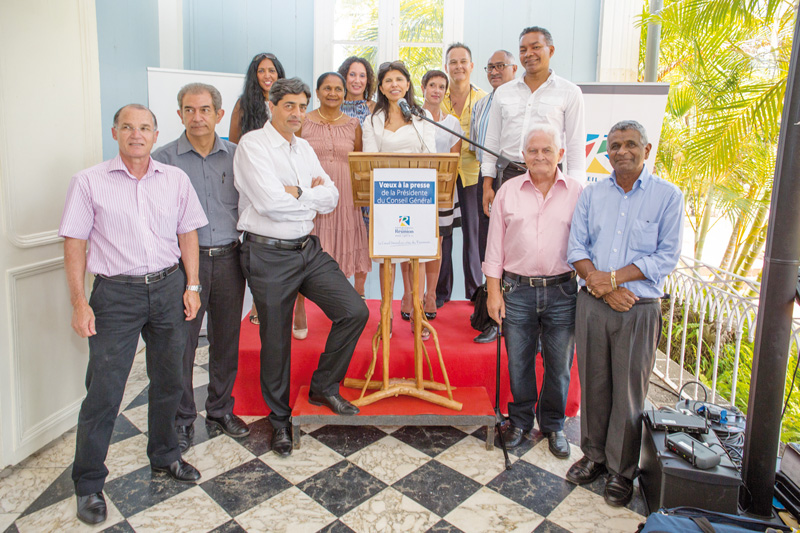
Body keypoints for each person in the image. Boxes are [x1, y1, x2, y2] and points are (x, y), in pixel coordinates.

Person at [60, 104, 207, 525]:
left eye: (144, 128)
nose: (136, 134)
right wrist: (79, 302)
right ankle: (88, 483)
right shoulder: (88, 182)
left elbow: (188, 231)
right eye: (128, 127)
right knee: (104, 390)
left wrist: (192, 285)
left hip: (167, 288)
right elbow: (75, 243)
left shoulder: (175, 179)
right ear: (115, 132)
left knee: (169, 381)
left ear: (156, 134)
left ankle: (164, 456)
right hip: (115, 296)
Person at [234, 78, 369, 457]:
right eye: (289, 106)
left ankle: (324, 386)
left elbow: (332, 196)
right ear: (271, 106)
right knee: (276, 339)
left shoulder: (304, 147)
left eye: (300, 106)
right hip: (268, 253)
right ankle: (279, 421)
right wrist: (307, 195)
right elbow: (269, 203)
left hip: (307, 248)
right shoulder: (253, 145)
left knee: (353, 310)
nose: (296, 113)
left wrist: (298, 193)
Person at [566, 120, 683, 507]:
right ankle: (594, 457)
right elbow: (576, 247)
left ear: (646, 150)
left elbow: (665, 256)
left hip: (638, 307)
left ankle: (622, 471)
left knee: (629, 393)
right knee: (594, 385)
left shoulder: (668, 196)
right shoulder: (592, 194)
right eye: (614, 145)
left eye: (630, 144)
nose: (621, 151)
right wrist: (600, 286)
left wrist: (613, 281)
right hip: (593, 304)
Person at [152, 83, 249, 453]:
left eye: (205, 109)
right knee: (183, 344)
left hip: (229, 259)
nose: (197, 117)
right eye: (189, 110)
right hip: (182, 266)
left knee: (226, 340)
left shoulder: (238, 156)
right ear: (179, 114)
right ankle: (181, 418)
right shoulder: (163, 159)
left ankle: (220, 410)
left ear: (219, 114)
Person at [484, 124, 583, 460]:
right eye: (533, 151)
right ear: (523, 156)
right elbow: (494, 248)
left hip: (563, 292)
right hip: (517, 291)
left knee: (559, 365)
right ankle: (521, 421)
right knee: (519, 362)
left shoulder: (578, 193)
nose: (540, 156)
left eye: (547, 150)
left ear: (561, 154)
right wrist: (493, 294)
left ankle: (553, 424)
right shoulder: (507, 192)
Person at [294, 72, 370, 339]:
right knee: (308, 248)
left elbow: (359, 161)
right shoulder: (304, 121)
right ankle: (299, 306)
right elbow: (292, 157)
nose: (333, 93)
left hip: (345, 195)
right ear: (317, 92)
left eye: (338, 89)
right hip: (313, 195)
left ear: (344, 93)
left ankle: (347, 307)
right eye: (327, 88)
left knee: (345, 247)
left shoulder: (353, 124)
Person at [362, 61, 436, 336]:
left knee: (415, 255)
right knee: (387, 258)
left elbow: (430, 155)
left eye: (399, 79)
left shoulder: (422, 116)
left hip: (417, 196)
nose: (394, 84)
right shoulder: (373, 119)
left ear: (407, 84)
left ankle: (417, 313)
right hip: (386, 196)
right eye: (388, 81)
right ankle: (386, 314)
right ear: (381, 87)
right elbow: (370, 158)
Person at [481, 26, 586, 219]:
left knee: (546, 236)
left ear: (551, 50)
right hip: (508, 174)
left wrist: (577, 190)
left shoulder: (570, 92)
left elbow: (576, 145)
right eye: (523, 50)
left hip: (549, 175)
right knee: (505, 237)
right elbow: (492, 141)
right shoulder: (503, 92)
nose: (529, 54)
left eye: (535, 47)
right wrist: (487, 184)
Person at [228, 52, 286, 326]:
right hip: (253, 182)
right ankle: (256, 301)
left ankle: (277, 300)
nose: (267, 76)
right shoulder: (244, 105)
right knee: (256, 241)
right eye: (262, 71)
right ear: (255, 75)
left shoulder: (285, 104)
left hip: (282, 182)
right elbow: (234, 145)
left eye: (272, 71)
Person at [471, 49, 518, 344]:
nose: (494, 71)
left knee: (516, 248)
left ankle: (517, 319)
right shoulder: (482, 104)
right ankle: (492, 319)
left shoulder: (520, 99)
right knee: (488, 246)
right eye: (490, 67)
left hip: (516, 176)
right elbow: (480, 145)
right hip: (488, 177)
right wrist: (487, 182)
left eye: (500, 66)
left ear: (514, 68)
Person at [436, 43, 487, 306]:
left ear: (471, 65)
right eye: (453, 62)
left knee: (473, 233)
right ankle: (439, 293)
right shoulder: (436, 95)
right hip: (442, 174)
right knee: (443, 234)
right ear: (446, 67)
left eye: (463, 61)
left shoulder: (484, 98)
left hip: (471, 173)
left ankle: (475, 293)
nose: (458, 66)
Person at [421, 69, 462, 326]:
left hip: (443, 189)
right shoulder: (412, 118)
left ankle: (431, 293)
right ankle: (411, 295)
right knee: (412, 242)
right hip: (416, 188)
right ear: (423, 87)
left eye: (441, 86)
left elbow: (454, 161)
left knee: (436, 243)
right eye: (432, 85)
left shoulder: (453, 123)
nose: (436, 90)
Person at [339, 56, 377, 123]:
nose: (357, 80)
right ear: (344, 77)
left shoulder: (375, 109)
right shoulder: (334, 107)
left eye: (362, 76)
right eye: (352, 74)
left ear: (367, 80)